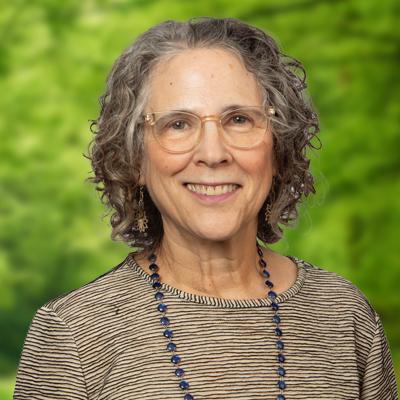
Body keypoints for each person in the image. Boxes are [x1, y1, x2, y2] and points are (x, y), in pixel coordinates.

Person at [14, 17, 398, 400]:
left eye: (239, 119)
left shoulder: (343, 315)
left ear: (278, 147)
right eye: (178, 124)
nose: (213, 154)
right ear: (135, 159)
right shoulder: (74, 332)